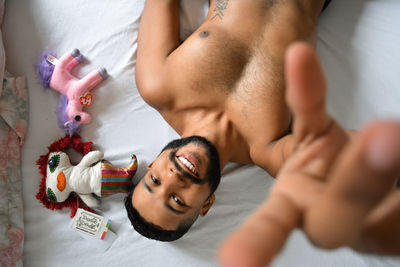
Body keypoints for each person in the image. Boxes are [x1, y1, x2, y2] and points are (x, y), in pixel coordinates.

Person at [125, 0, 400, 260]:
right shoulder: (269, 148)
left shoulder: (157, 85)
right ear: (206, 204)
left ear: (152, 167)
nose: (174, 178)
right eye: (176, 200)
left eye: (156, 182)